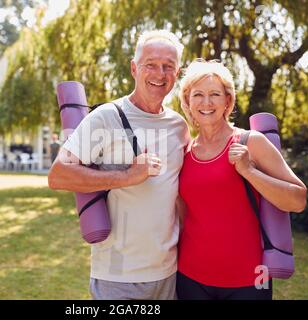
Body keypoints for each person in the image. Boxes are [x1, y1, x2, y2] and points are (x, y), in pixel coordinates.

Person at [48, 30, 190, 300]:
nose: (159, 74)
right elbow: (58, 175)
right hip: (117, 276)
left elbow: (181, 193)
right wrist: (127, 176)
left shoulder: (178, 127)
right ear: (134, 68)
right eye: (151, 64)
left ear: (177, 72)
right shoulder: (106, 117)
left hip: (169, 273)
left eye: (168, 67)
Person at [176, 58, 307, 300]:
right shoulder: (184, 152)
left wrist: (249, 171)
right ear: (187, 101)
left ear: (228, 100)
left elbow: (298, 199)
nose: (206, 102)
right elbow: (185, 215)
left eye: (215, 94)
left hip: (248, 279)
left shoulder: (251, 142)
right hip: (190, 277)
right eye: (198, 95)